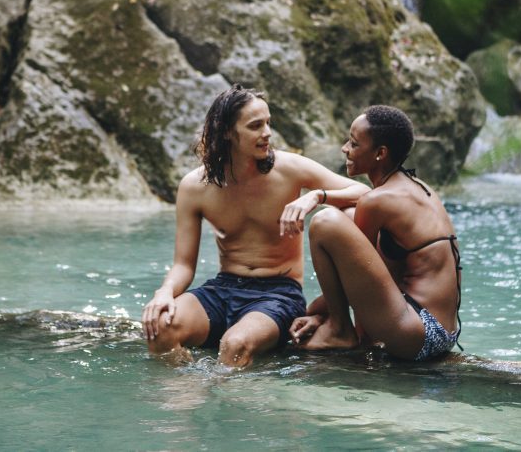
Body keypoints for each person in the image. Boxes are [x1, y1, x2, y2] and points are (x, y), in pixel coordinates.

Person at [142, 84, 369, 368]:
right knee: (159, 329)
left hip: (278, 292)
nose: (267, 133)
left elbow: (365, 195)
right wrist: (164, 292)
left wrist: (316, 196)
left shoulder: (290, 169)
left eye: (268, 123)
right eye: (255, 126)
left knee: (234, 345)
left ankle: (226, 402)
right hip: (223, 288)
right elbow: (183, 265)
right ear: (226, 131)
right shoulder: (194, 186)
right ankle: (185, 398)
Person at [289, 105, 462, 361]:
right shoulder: (415, 186)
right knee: (347, 217)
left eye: (354, 143)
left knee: (326, 221)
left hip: (421, 333)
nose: (344, 148)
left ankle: (339, 330)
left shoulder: (376, 202)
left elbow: (354, 282)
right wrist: (320, 194)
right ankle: (350, 332)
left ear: (380, 153)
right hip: (443, 334)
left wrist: (311, 311)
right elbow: (375, 271)